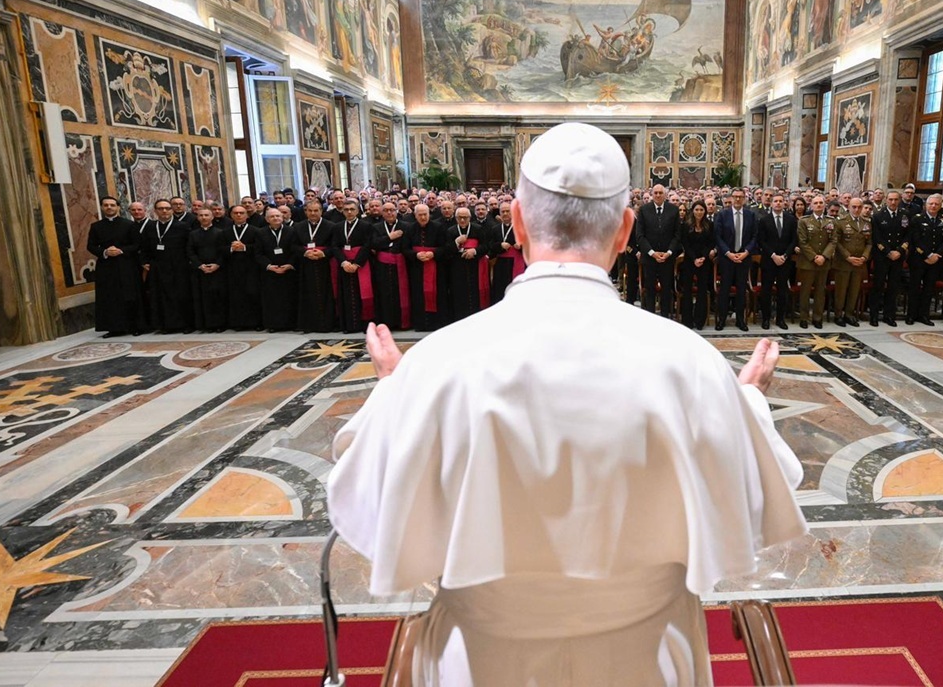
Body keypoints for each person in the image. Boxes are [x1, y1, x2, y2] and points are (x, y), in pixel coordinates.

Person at [326, 122, 805, 686]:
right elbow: (747, 493)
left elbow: (365, 504)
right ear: (626, 230)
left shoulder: (440, 362)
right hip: (646, 659)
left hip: (479, 661)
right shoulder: (690, 361)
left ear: (517, 222)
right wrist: (745, 399)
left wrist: (396, 392)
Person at [87, 196, 142, 337]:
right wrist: (105, 251)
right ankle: (113, 328)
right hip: (106, 267)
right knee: (109, 297)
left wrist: (121, 250)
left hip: (126, 265)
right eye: (106, 205)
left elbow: (136, 245)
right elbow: (91, 246)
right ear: (102, 207)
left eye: (112, 205)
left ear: (118, 207)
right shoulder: (96, 226)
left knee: (129, 296)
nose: (109, 207)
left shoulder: (129, 225)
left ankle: (133, 326)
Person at [140, 199, 193, 332]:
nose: (164, 211)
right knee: (160, 296)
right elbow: (144, 247)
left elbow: (189, 247)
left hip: (178, 267)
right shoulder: (150, 227)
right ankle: (164, 325)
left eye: (167, 208)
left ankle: (184, 324)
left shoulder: (183, 226)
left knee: (180, 296)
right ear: (155, 211)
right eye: (161, 208)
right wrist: (144, 262)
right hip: (157, 267)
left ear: (171, 210)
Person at [635, 184, 681, 318]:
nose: (658, 195)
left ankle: (666, 317)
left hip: (667, 257)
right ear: (652, 194)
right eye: (655, 193)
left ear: (665, 195)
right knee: (650, 290)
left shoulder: (673, 210)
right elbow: (640, 235)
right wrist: (652, 252)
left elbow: (677, 235)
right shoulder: (644, 210)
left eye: (661, 193)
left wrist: (669, 252)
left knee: (666, 289)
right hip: (650, 258)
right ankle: (651, 318)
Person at [715, 188, 757, 332]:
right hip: (727, 258)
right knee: (724, 290)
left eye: (740, 197)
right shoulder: (722, 215)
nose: (738, 199)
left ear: (745, 198)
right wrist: (728, 253)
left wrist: (746, 252)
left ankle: (740, 319)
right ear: (731, 198)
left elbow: (754, 237)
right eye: (735, 197)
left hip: (743, 258)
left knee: (741, 290)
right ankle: (721, 319)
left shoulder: (751, 215)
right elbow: (718, 237)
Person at [291, 200, 337, 332]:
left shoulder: (331, 226)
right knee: (308, 294)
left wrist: (323, 253)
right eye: (310, 210)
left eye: (316, 210)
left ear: (321, 211)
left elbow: (334, 245)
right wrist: (305, 253)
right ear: (305, 212)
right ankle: (310, 324)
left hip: (325, 264)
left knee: (326, 294)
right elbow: (293, 245)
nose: (313, 213)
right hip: (306, 265)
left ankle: (328, 324)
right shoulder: (298, 226)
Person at [907, 194, 943, 325]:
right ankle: (911, 315)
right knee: (914, 288)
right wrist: (928, 255)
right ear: (926, 205)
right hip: (919, 260)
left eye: (936, 204)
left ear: (940, 205)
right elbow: (915, 239)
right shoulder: (917, 219)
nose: (933, 206)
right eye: (931, 204)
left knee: (929, 289)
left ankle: (924, 315)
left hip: (936, 261)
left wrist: (937, 255)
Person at [756, 193, 795, 331]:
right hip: (769, 260)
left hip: (784, 261)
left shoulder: (791, 220)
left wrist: (784, 255)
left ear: (784, 203)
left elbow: (793, 240)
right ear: (771, 204)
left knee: (782, 291)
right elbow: (761, 241)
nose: (778, 203)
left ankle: (780, 319)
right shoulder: (764, 220)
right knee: (766, 290)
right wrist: (773, 255)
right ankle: (766, 319)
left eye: (780, 201)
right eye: (775, 201)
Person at [369, 201, 412, 330]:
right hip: (382, 265)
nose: (389, 213)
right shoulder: (376, 227)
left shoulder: (406, 226)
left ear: (396, 211)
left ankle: (401, 322)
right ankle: (386, 322)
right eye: (386, 210)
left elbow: (407, 245)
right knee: (383, 293)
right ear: (382, 212)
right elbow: (374, 244)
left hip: (400, 264)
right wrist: (389, 237)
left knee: (400, 293)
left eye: (392, 210)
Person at [334, 199, 375, 333]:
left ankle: (364, 324)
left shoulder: (366, 226)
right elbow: (335, 246)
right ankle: (349, 325)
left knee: (362, 294)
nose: (349, 212)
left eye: (352, 209)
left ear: (357, 211)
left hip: (361, 264)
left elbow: (367, 245)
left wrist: (357, 263)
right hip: (345, 264)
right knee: (346, 294)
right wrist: (344, 262)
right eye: (346, 210)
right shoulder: (338, 226)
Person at [443, 206, 491, 320]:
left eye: (465, 217)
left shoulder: (478, 229)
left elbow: (485, 246)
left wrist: (474, 251)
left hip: (475, 265)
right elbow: (447, 250)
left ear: (470, 217)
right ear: (456, 218)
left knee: (475, 292)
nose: (463, 220)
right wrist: (456, 242)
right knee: (459, 292)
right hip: (457, 267)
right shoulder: (451, 231)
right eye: (460, 217)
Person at [869, 190, 909, 326]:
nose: (893, 202)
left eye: (896, 200)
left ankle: (889, 315)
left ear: (899, 200)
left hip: (898, 256)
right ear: (886, 200)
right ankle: (874, 316)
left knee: (893, 287)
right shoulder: (878, 216)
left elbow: (908, 235)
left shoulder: (905, 215)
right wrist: (888, 252)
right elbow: (877, 237)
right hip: (882, 256)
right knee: (878, 286)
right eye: (891, 199)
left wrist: (899, 250)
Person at [796, 195, 836, 329]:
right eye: (816, 203)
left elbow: (833, 241)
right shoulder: (804, 221)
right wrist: (814, 257)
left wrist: (824, 256)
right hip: (808, 262)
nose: (818, 205)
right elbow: (802, 241)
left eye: (821, 203)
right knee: (805, 291)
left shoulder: (831, 221)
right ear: (811, 206)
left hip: (824, 262)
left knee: (820, 291)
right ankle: (803, 317)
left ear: (825, 205)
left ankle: (817, 317)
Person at [406, 204, 447, 331]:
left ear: (429, 214)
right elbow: (404, 248)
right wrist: (415, 255)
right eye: (420, 215)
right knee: (418, 296)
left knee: (437, 295)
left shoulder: (439, 227)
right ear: (415, 215)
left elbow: (446, 247)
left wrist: (433, 253)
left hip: (436, 267)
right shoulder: (410, 228)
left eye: (425, 214)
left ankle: (436, 324)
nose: (423, 217)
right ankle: (420, 324)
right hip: (417, 268)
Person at [831, 197, 871, 326]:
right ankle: (838, 314)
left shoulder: (866, 223)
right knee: (841, 290)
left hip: (859, 262)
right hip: (844, 262)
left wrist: (864, 257)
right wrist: (848, 257)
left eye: (859, 207)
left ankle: (849, 314)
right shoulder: (840, 222)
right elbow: (836, 242)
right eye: (854, 207)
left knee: (854, 290)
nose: (857, 209)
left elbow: (869, 243)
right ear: (848, 207)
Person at [187, 208, 228, 332]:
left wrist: (217, 264)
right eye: (201, 215)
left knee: (217, 298)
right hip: (200, 271)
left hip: (217, 271)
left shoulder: (220, 233)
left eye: (206, 215)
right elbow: (190, 251)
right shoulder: (193, 234)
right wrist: (199, 265)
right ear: (197, 218)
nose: (204, 217)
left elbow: (223, 251)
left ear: (212, 217)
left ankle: (219, 324)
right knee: (202, 298)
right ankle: (206, 324)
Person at [678, 200, 716, 330]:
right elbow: (685, 243)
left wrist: (703, 257)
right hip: (689, 260)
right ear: (692, 211)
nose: (699, 212)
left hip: (704, 261)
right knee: (687, 290)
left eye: (701, 210)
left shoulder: (710, 225)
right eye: (696, 210)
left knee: (702, 291)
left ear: (705, 211)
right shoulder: (685, 225)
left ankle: (700, 320)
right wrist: (694, 258)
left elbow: (711, 243)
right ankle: (687, 320)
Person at [224, 205, 261, 330]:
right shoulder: (225, 231)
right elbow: (219, 249)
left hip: (251, 267)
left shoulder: (255, 231)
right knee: (236, 296)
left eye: (241, 213)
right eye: (236, 213)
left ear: (246, 215)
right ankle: (239, 323)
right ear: (231, 215)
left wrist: (244, 247)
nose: (239, 215)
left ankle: (256, 322)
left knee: (252, 293)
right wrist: (231, 248)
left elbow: (259, 248)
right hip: (233, 267)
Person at [490, 203, 525, 304]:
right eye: (503, 211)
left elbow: (529, 247)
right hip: (501, 266)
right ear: (499, 213)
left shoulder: (520, 227)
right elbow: (491, 246)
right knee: (500, 291)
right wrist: (500, 245)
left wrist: (521, 246)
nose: (505, 213)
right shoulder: (495, 229)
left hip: (517, 263)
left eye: (507, 211)